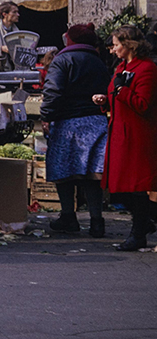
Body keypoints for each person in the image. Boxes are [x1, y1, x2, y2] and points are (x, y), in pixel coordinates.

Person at [40, 24, 111, 237]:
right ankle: (97, 221)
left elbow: (53, 91)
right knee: (92, 175)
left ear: (70, 40)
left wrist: (46, 115)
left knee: (64, 173)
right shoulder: (99, 61)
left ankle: (68, 217)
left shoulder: (62, 60)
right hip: (96, 123)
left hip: (67, 124)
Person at [93, 25, 157, 251]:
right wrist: (105, 100)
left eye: (116, 45)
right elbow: (117, 97)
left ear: (129, 45)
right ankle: (144, 223)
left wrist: (122, 91)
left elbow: (143, 104)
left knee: (136, 186)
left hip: (138, 136)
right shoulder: (121, 67)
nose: (112, 49)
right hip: (120, 133)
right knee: (119, 186)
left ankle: (138, 233)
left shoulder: (147, 69)